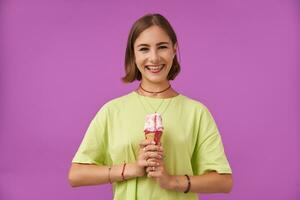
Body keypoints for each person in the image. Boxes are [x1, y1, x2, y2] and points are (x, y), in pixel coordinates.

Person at [68, 13, 233, 200]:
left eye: (162, 47)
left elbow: (224, 181)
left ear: (174, 50)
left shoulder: (197, 112)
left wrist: (172, 181)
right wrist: (132, 169)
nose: (154, 58)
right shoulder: (112, 111)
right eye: (144, 49)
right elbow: (76, 175)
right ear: (133, 54)